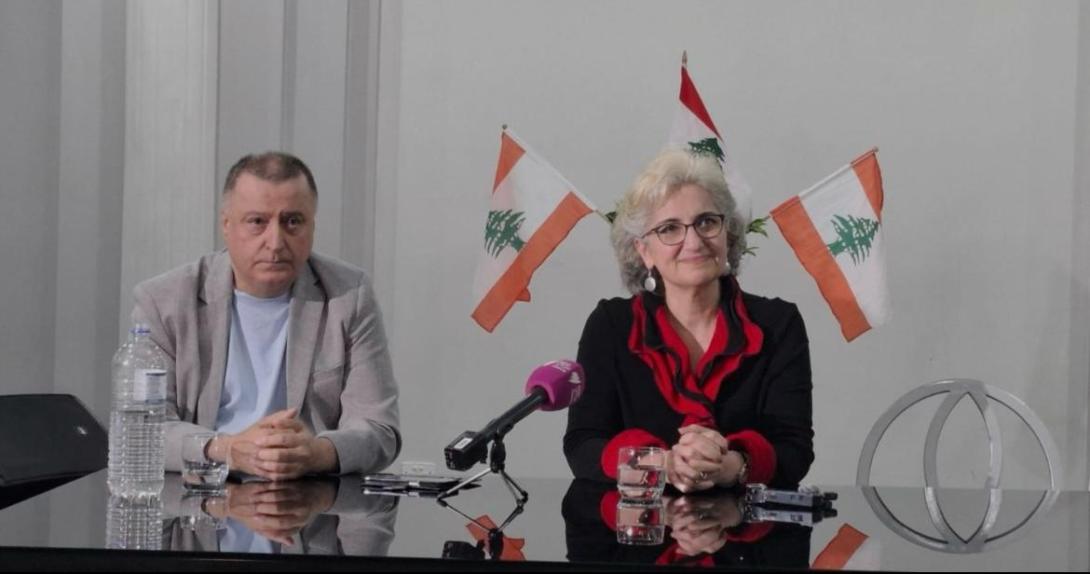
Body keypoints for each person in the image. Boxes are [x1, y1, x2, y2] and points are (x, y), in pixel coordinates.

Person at [132, 151, 400, 481]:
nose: (275, 242)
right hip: (205, 495)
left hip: (308, 496)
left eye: (293, 222)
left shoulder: (348, 295)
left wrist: (316, 453)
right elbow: (144, 430)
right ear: (226, 225)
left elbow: (379, 430)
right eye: (257, 221)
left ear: (312, 226)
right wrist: (229, 449)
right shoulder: (165, 301)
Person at [564, 148, 813, 491]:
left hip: (747, 524)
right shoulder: (611, 325)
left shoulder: (778, 324)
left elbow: (794, 451)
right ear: (644, 250)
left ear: (727, 233)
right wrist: (661, 464)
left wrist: (729, 466)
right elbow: (583, 445)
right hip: (637, 521)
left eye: (706, 222)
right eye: (669, 228)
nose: (694, 241)